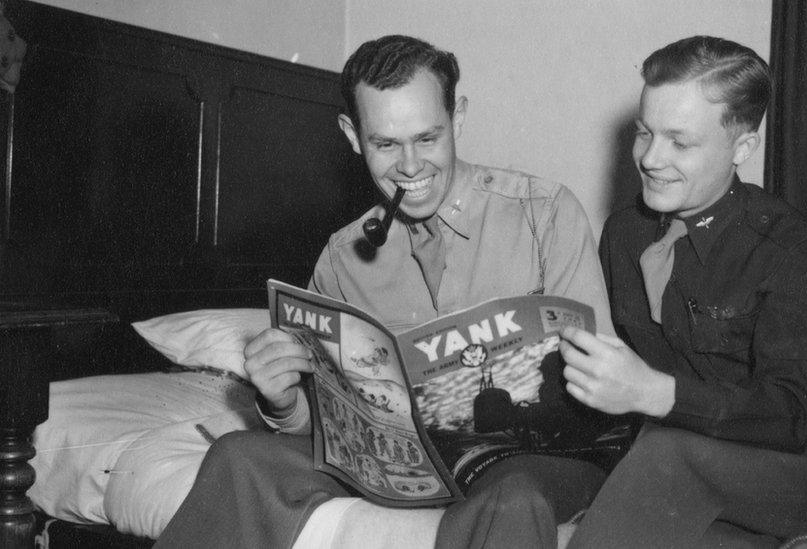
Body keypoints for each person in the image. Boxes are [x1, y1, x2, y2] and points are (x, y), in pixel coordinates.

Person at [156, 34, 614, 549]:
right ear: (353, 136)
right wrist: (282, 400)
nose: (411, 166)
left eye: (428, 138)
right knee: (238, 455)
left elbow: (600, 395)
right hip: (401, 467)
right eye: (386, 144)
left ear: (457, 118)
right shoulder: (341, 255)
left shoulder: (545, 213)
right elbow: (326, 425)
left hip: (528, 461)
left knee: (513, 497)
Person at [558, 35, 807, 548]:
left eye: (680, 141)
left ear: (742, 148)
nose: (650, 158)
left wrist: (652, 392)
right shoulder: (624, 232)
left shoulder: (794, 249)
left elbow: (792, 416)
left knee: (665, 457)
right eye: (644, 133)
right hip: (701, 457)